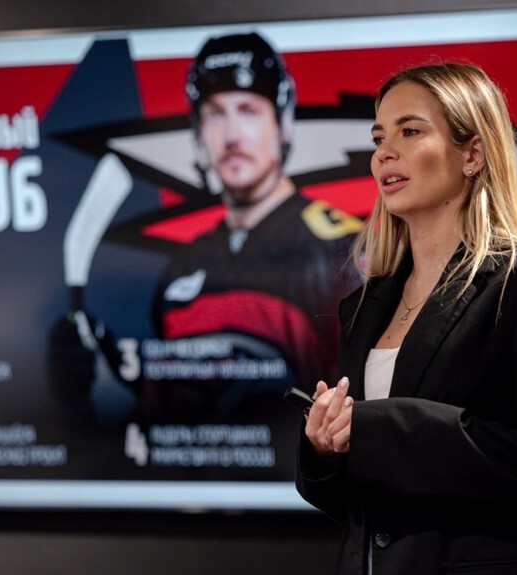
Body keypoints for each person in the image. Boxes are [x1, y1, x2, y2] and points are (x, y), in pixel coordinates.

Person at [296, 62, 517, 575]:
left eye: (410, 132)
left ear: (473, 153)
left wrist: (381, 430)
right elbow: (372, 502)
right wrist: (327, 451)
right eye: (379, 138)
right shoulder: (363, 308)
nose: (384, 153)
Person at [141, 32, 361, 424]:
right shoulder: (179, 269)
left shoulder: (342, 249)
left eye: (248, 110)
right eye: (214, 114)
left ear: (282, 123)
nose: (232, 136)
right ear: (198, 133)